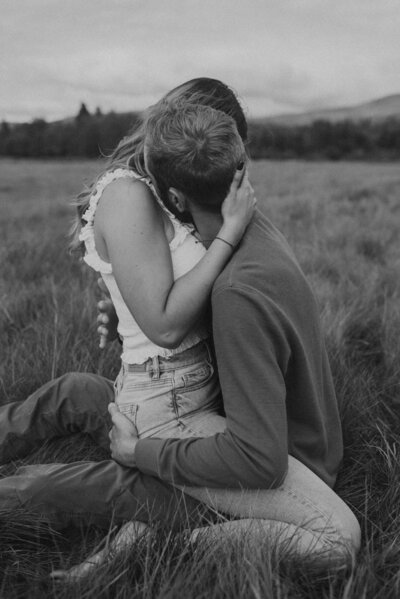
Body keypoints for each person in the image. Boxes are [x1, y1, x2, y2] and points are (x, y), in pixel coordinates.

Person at [0, 78, 360, 578]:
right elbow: (172, 310)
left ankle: (154, 538)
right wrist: (127, 303)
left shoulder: (234, 279)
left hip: (228, 432)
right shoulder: (246, 233)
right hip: (192, 410)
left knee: (126, 471)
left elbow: (255, 456)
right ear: (238, 162)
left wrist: (137, 452)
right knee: (78, 392)